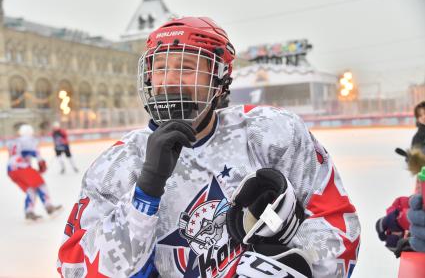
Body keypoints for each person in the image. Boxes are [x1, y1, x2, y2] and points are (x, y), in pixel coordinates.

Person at [57, 17, 360, 277]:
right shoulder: (117, 165)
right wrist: (144, 194)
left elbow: (338, 225)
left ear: (220, 79)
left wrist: (289, 265)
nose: (169, 81)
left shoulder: (269, 132)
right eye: (160, 68)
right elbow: (74, 267)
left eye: (186, 67)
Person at [7, 124, 62, 221]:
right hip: (21, 168)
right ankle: (49, 208)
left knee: (31, 189)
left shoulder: (15, 141)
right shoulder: (29, 140)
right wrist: (42, 165)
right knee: (40, 185)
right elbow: (35, 154)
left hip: (11, 170)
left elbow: (16, 154)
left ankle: (29, 212)